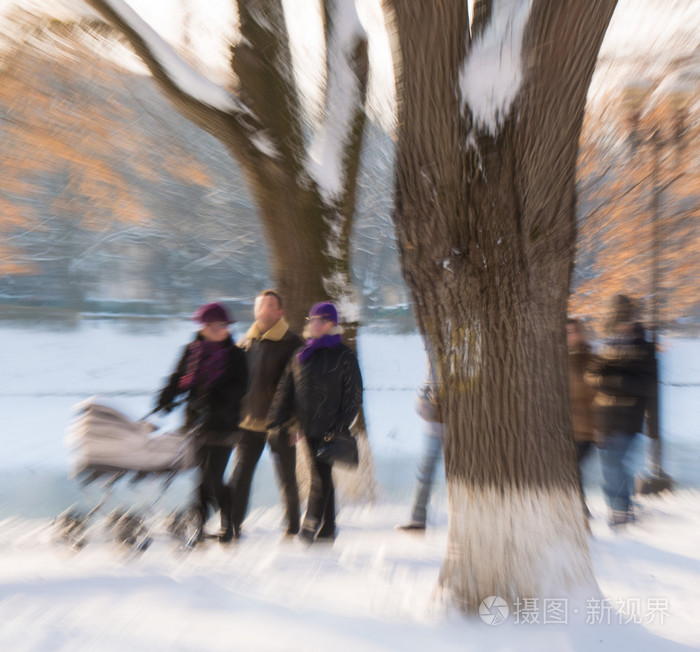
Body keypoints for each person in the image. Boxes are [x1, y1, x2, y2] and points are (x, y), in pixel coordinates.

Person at [268, 302, 363, 544]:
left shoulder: (344, 355)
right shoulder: (301, 355)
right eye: (311, 319)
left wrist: (341, 424)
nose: (313, 323)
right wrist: (276, 422)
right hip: (308, 427)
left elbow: (354, 395)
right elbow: (285, 390)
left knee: (320, 476)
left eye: (319, 319)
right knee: (321, 473)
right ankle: (329, 527)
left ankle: (310, 525)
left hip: (332, 428)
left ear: (331, 323)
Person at [156, 302, 248, 543]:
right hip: (197, 423)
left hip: (224, 425)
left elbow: (240, 389)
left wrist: (218, 402)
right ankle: (198, 525)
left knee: (212, 476)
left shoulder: (236, 355)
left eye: (221, 325)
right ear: (203, 326)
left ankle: (229, 522)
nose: (216, 329)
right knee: (203, 476)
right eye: (211, 325)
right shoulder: (191, 351)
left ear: (228, 327)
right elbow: (177, 379)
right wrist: (165, 398)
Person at [227, 290, 303, 540]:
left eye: (270, 305)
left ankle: (292, 527)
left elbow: (300, 387)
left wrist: (296, 422)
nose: (265, 310)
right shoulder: (246, 343)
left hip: (281, 424)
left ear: (280, 312)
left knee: (287, 478)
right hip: (248, 422)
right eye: (261, 305)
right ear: (255, 311)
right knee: (240, 476)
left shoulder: (293, 343)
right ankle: (232, 526)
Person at [585, 295, 657, 528]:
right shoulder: (608, 345)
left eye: (626, 320)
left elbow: (644, 385)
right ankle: (623, 508)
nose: (623, 325)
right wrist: (613, 381)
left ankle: (619, 513)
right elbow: (591, 375)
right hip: (603, 417)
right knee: (611, 465)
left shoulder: (643, 349)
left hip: (627, 418)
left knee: (612, 464)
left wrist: (611, 381)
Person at [396, 354, 444, 532]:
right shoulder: (433, 348)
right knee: (425, 470)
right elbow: (428, 382)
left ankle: (418, 518)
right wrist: (422, 402)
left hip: (450, 419)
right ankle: (417, 519)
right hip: (435, 421)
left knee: (430, 470)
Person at [567, 318, 597, 518]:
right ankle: (578, 510)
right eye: (568, 332)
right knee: (570, 470)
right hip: (564, 428)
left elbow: (593, 393)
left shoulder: (591, 359)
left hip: (585, 428)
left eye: (575, 331)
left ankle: (580, 512)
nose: (573, 335)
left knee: (572, 468)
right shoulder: (554, 359)